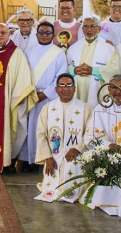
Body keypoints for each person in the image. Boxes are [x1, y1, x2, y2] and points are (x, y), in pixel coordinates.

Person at [0, 23, 36, 174]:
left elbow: (22, 76)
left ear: (9, 33)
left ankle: (6, 162)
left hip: (8, 100)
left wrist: (19, 96)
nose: (0, 35)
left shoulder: (16, 53)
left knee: (8, 128)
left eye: (3, 32)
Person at [83, 74, 121, 217]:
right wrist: (109, 146)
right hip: (106, 150)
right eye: (113, 88)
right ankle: (102, 200)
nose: (118, 92)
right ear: (108, 89)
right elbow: (92, 134)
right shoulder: (101, 108)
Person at [34, 73, 92, 203]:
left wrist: (78, 148)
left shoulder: (85, 108)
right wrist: (47, 157)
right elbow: (41, 134)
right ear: (56, 89)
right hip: (53, 156)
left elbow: (90, 132)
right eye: (62, 85)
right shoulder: (48, 108)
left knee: (73, 180)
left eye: (69, 85)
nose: (65, 89)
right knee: (50, 188)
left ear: (74, 88)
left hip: (77, 156)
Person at [19, 21, 67, 172]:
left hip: (48, 97)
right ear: (36, 34)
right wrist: (31, 93)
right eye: (41, 32)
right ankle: (28, 160)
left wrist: (45, 93)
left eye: (48, 33)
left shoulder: (59, 54)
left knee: (47, 128)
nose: (44, 35)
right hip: (31, 95)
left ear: (53, 35)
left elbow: (60, 77)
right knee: (29, 129)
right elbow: (24, 73)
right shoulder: (28, 52)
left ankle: (46, 160)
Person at [67, 17, 119, 108]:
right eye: (86, 26)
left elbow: (114, 69)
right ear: (82, 29)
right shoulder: (73, 48)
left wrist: (93, 71)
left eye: (92, 26)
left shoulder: (109, 48)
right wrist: (74, 70)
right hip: (77, 90)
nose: (89, 29)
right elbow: (66, 66)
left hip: (97, 92)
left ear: (99, 29)